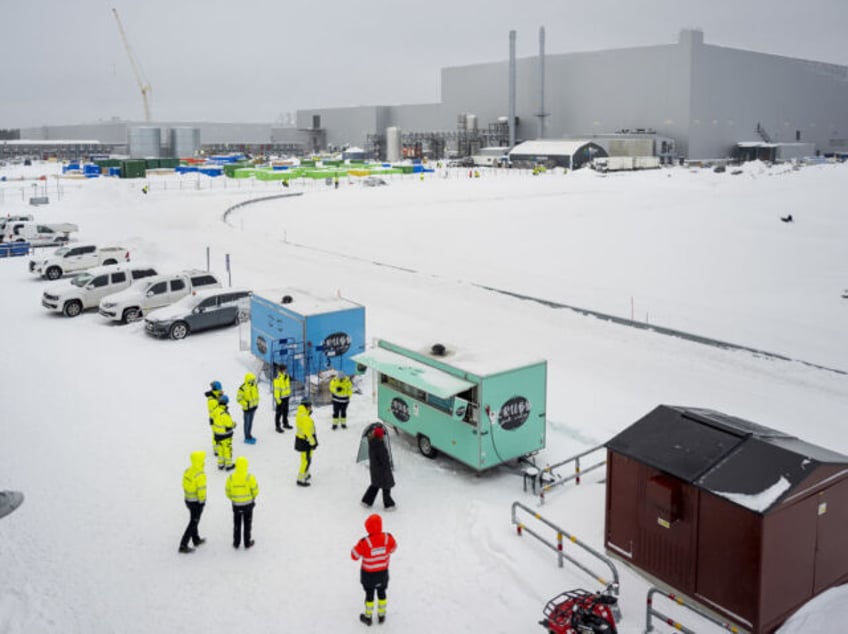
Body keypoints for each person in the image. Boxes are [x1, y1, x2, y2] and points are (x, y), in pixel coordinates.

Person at [351, 513, 397, 626]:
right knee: (382, 593)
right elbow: (394, 548)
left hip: (368, 575)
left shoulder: (365, 542)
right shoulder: (388, 538)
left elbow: (354, 556)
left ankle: (368, 617)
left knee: (369, 594)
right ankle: (381, 615)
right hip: (383, 573)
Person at [225, 456, 259, 549]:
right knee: (247, 525)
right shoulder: (250, 477)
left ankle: (236, 543)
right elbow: (255, 491)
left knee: (237, 524)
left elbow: (227, 491)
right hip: (248, 506)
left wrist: (233, 498)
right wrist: (252, 497)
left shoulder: (231, 478)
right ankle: (247, 542)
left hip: (236, 506)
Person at [361, 426, 396, 511]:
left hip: (375, 469)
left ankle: (366, 501)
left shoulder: (372, 442)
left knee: (375, 485)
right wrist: (388, 468)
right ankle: (389, 505)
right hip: (383, 471)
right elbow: (384, 460)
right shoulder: (380, 446)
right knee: (386, 486)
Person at [179, 450, 207, 554]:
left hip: (188, 500)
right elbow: (201, 490)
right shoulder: (200, 474)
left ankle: (196, 539)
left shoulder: (187, 471)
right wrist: (202, 501)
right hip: (196, 502)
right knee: (193, 522)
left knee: (193, 520)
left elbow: (184, 485)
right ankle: (183, 545)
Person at [294, 399, 317, 486]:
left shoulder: (301, 413)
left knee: (306, 459)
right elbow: (308, 433)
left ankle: (306, 474)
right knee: (306, 460)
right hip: (306, 442)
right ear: (306, 407)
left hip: (301, 440)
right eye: (310, 406)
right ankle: (300, 479)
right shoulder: (306, 418)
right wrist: (313, 443)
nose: (311, 408)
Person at [212, 395, 236, 471]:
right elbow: (229, 424)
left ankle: (220, 464)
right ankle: (229, 465)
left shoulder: (216, 410)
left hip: (217, 434)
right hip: (225, 435)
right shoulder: (224, 414)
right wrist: (234, 424)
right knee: (227, 450)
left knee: (220, 450)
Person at [236, 372, 259, 444]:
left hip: (253, 408)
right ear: (248, 379)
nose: (253, 381)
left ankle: (249, 434)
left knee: (251, 423)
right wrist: (246, 404)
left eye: (253, 380)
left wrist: (256, 404)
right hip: (247, 409)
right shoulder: (242, 388)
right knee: (247, 423)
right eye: (251, 380)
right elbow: (239, 399)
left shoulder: (254, 386)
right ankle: (246, 437)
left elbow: (256, 395)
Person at [204, 380, 224, 456]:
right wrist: (221, 399)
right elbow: (218, 409)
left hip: (217, 419)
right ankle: (216, 450)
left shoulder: (215, 396)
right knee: (216, 435)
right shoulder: (212, 400)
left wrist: (220, 396)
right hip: (215, 419)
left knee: (219, 434)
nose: (221, 390)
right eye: (220, 389)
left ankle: (219, 447)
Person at [273, 364, 292, 433]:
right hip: (280, 398)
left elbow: (287, 386)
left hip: (286, 397)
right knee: (279, 413)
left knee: (285, 411)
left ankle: (285, 423)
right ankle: (277, 426)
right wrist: (277, 399)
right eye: (285, 369)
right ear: (281, 370)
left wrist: (288, 394)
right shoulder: (277, 378)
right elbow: (276, 390)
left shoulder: (286, 376)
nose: (286, 371)